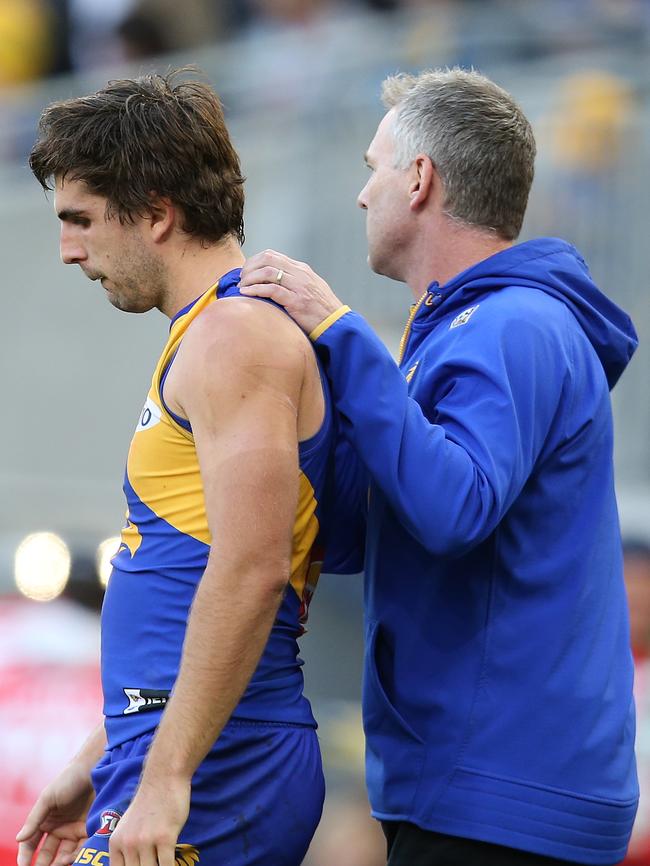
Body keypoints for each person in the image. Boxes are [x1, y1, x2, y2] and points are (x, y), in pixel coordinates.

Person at [240, 68, 639, 865]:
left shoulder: (512, 324)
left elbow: (452, 510)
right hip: (473, 783)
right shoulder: (466, 328)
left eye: (371, 167)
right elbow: (370, 533)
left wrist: (344, 336)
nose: (361, 195)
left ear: (419, 179)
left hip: (504, 793)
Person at [17, 70, 359, 866]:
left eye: (81, 220)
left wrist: (167, 773)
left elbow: (250, 568)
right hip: (184, 746)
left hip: (220, 759)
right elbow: (187, 572)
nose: (69, 250)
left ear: (158, 215)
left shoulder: (235, 337)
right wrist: (103, 754)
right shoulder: (209, 333)